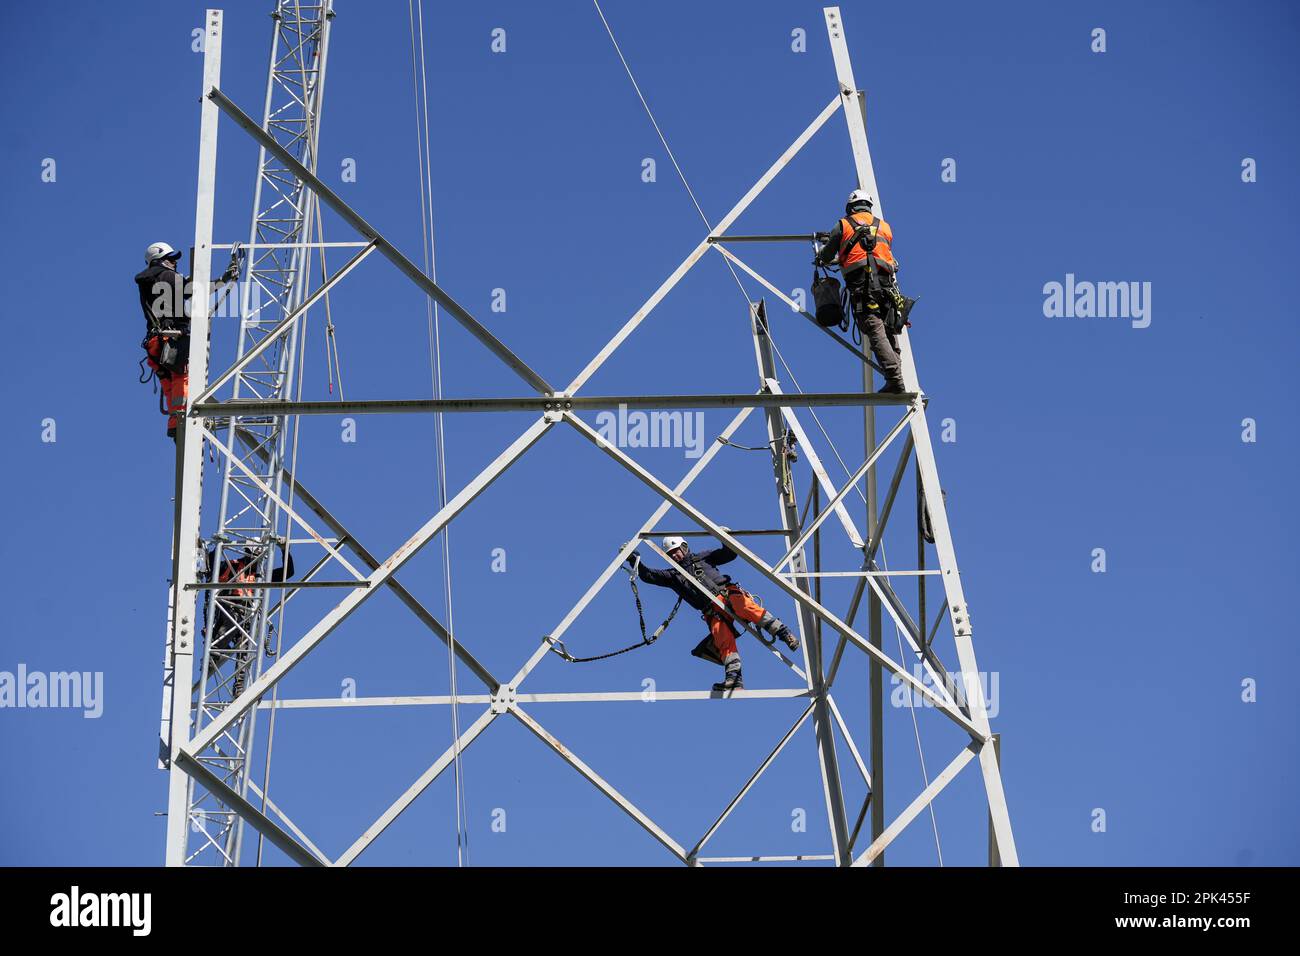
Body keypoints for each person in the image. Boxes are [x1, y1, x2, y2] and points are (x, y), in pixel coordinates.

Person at [628, 536, 798, 692]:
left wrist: (724, 538)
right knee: (722, 637)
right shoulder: (673, 576)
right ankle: (735, 679)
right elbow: (648, 575)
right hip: (712, 611)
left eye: (676, 551)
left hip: (727, 596)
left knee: (745, 607)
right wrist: (634, 561)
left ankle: (784, 633)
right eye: (671, 554)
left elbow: (729, 554)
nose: (675, 556)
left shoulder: (702, 558)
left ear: (684, 547)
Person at [134, 241, 238, 440]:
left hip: (156, 344)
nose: (174, 262)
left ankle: (175, 422)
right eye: (171, 259)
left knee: (169, 383)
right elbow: (192, 290)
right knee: (182, 377)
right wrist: (222, 281)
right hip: (171, 340)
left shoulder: (150, 281)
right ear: (160, 260)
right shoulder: (166, 276)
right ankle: (183, 420)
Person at [814, 189, 914, 393]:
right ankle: (897, 375)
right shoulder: (884, 227)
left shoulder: (843, 225)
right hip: (887, 288)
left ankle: (895, 378)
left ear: (850, 208)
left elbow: (827, 257)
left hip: (863, 286)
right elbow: (876, 251)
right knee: (888, 328)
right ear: (869, 206)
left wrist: (823, 253)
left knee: (873, 327)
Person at [203, 539, 294, 697]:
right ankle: (215, 653)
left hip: (249, 615)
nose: (255, 559)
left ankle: (240, 687)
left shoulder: (262, 575)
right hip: (228, 608)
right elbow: (210, 567)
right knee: (230, 623)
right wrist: (214, 547)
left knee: (245, 647)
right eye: (253, 555)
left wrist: (285, 550)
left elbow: (288, 572)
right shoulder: (229, 566)